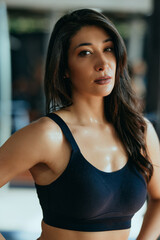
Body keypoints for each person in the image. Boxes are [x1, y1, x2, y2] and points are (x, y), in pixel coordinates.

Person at [0, 9, 160, 240]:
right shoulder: (48, 135)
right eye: (85, 52)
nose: (102, 62)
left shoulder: (140, 131)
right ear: (64, 68)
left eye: (108, 49)